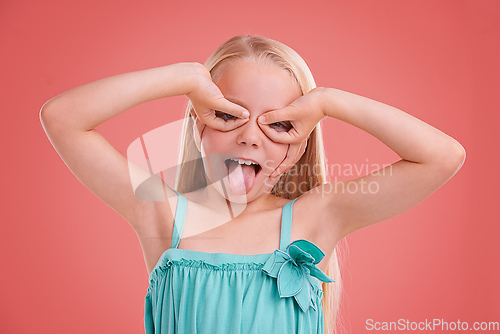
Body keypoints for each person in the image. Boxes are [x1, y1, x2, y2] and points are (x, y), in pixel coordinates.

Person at [39, 35, 466, 334]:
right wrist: (185, 79)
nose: (250, 136)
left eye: (278, 124)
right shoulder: (163, 210)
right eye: (228, 115)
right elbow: (62, 118)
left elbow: (443, 157)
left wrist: (329, 101)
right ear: (199, 127)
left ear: (297, 148)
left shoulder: (316, 215)